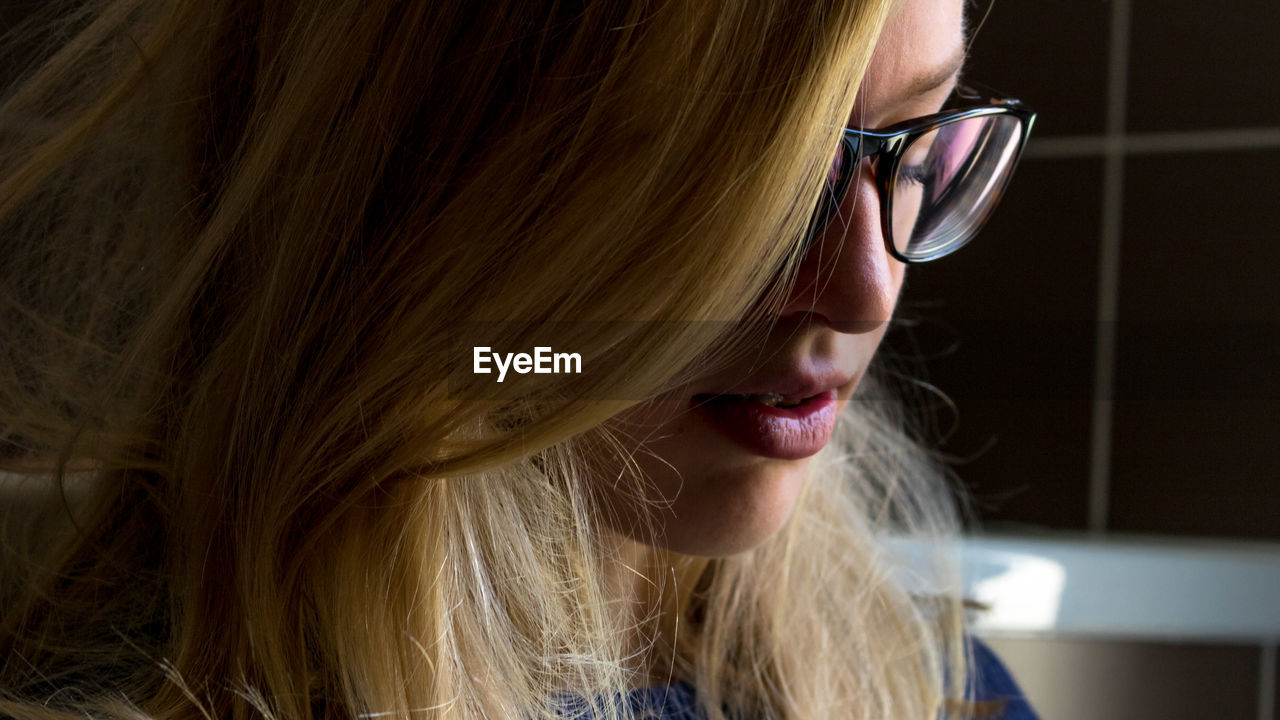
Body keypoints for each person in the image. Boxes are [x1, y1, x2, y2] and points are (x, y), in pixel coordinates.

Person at [0, 0, 1038, 718]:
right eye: (735, 183)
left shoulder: (916, 682)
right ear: (405, 193)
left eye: (914, 136)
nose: (863, 288)